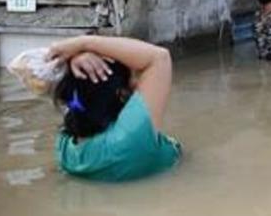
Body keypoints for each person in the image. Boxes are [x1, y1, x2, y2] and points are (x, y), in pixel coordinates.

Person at [49, 35, 180, 182]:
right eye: (134, 77)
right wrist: (83, 43)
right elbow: (160, 57)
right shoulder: (129, 138)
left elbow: (29, 69)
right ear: (121, 93)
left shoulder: (66, 148)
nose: (137, 83)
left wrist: (73, 59)